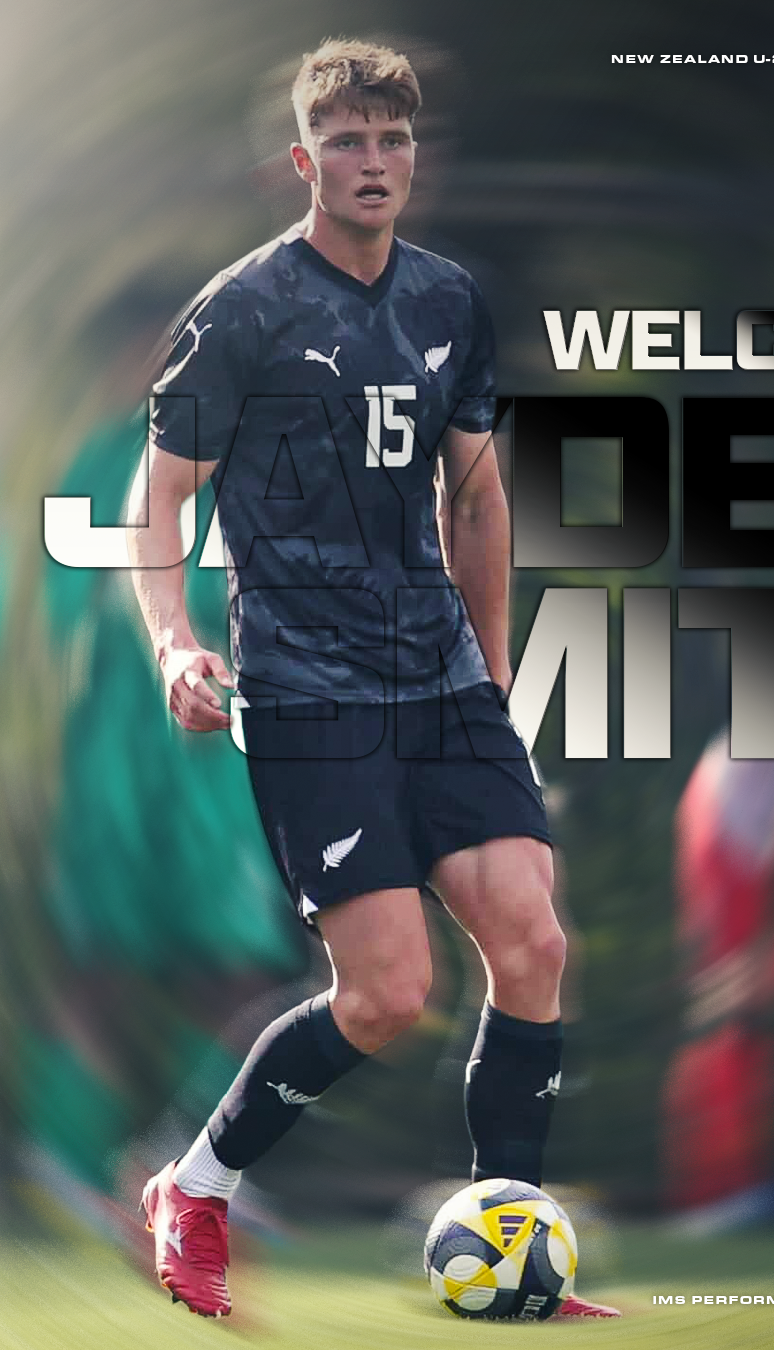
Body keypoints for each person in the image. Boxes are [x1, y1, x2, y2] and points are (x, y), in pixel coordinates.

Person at [127, 38, 618, 1319]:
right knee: (390, 994)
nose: (373, 161)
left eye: (392, 140)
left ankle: (514, 1248)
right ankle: (196, 1188)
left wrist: (494, 671)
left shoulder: (451, 300)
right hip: (307, 692)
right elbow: (160, 495)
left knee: (533, 937)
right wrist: (178, 639)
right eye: (346, 141)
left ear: (415, 159)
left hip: (443, 684)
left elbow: (479, 493)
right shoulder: (244, 310)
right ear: (304, 161)